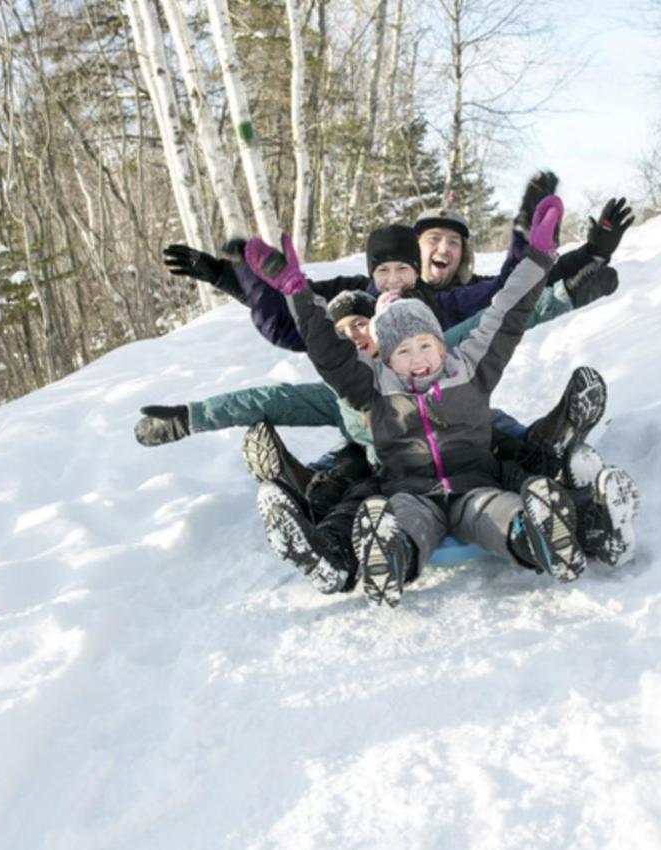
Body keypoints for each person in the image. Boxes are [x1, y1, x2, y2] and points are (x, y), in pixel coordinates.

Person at [246, 194, 635, 607]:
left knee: (499, 512)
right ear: (387, 357)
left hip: (474, 485)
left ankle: (551, 536)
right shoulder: (376, 388)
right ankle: (386, 560)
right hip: (412, 492)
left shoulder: (469, 368)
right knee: (402, 522)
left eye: (424, 345)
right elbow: (329, 354)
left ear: (441, 342)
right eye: (403, 352)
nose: (417, 359)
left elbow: (508, 314)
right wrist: (295, 290)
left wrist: (539, 257)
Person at [161, 171, 634, 352]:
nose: (443, 249)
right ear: (415, 247)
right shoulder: (360, 294)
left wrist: (591, 253)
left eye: (453, 242)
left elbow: (520, 286)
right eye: (433, 239)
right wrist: (225, 274)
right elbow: (295, 300)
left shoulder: (459, 299)